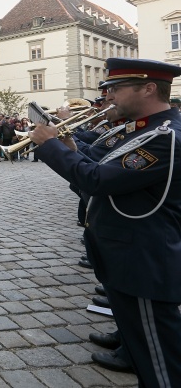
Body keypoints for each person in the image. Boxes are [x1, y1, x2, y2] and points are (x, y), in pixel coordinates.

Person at [30, 58, 181, 387]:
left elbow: (97, 180)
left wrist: (52, 146)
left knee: (161, 368)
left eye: (116, 87)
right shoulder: (144, 130)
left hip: (144, 260)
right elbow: (105, 173)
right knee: (143, 356)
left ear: (148, 88)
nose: (109, 95)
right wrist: (69, 147)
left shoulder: (164, 137)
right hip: (128, 256)